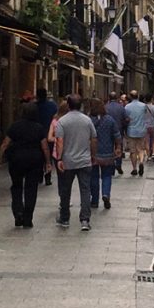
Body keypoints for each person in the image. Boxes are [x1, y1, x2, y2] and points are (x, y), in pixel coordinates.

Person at [0, 102, 50, 228]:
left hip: (16, 159)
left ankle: (18, 212)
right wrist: (48, 162)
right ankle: (28, 218)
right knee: (31, 189)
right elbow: (45, 147)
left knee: (16, 187)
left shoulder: (15, 126)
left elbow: (5, 143)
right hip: (34, 160)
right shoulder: (39, 128)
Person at [54, 94, 97, 231]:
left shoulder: (62, 121)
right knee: (85, 190)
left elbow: (59, 141)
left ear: (68, 105)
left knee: (65, 190)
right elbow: (94, 138)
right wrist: (93, 155)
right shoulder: (87, 120)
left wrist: (59, 158)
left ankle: (65, 218)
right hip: (84, 160)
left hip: (68, 161)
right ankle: (85, 220)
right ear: (81, 106)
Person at [88, 98, 121, 210]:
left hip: (93, 153)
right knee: (107, 176)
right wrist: (118, 147)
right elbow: (117, 135)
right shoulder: (109, 120)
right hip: (107, 153)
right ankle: (105, 194)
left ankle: (94, 201)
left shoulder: (88, 120)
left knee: (94, 177)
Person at [123, 90, 149, 176]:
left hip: (131, 131)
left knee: (133, 151)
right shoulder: (143, 106)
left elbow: (126, 118)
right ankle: (141, 162)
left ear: (130, 97)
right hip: (141, 130)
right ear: (138, 96)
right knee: (141, 149)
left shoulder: (127, 107)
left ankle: (134, 168)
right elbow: (145, 115)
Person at [36, 87, 59, 183]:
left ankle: (39, 176)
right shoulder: (53, 105)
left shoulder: (34, 106)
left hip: (37, 134)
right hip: (49, 133)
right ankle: (48, 177)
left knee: (39, 156)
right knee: (48, 156)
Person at [46, 99, 68, 186]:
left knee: (61, 176)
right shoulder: (68, 121)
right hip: (68, 151)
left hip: (56, 152)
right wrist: (60, 139)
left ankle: (62, 194)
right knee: (67, 176)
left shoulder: (54, 121)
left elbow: (49, 138)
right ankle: (65, 194)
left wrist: (56, 139)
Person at [104, 91, 127, 174]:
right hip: (119, 130)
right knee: (119, 147)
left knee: (110, 147)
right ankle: (118, 163)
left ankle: (112, 166)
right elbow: (125, 118)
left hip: (108, 130)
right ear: (117, 98)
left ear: (109, 98)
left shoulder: (105, 107)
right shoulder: (121, 107)